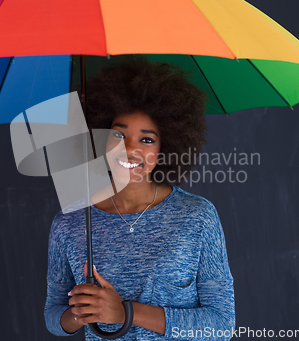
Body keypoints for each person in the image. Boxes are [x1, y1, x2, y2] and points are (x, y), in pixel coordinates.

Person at [44, 56, 235, 341]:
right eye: (118, 134)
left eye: (146, 139)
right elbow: (52, 315)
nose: (130, 149)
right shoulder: (69, 223)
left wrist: (125, 313)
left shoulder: (197, 217)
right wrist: (79, 313)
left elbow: (220, 325)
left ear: (166, 146)